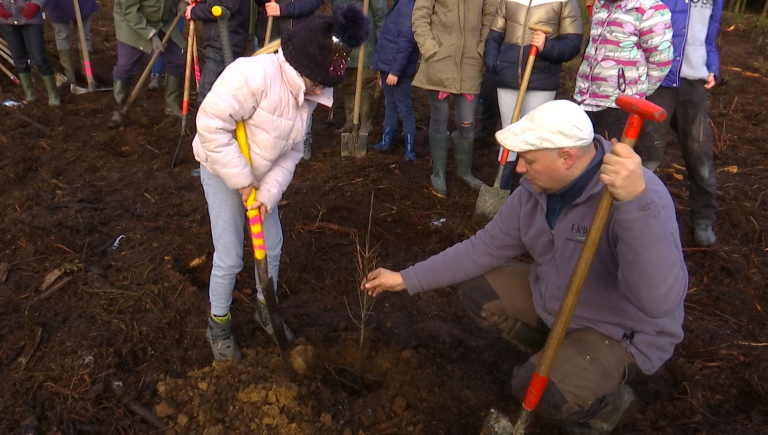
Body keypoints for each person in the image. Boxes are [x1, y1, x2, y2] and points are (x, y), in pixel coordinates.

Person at [362, 101, 688, 434]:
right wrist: (405, 278)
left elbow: (658, 301)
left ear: (566, 158)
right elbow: (484, 247)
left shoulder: (638, 195)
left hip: (619, 334)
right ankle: (560, 356)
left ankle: (606, 404)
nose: (519, 169)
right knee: (479, 292)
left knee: (535, 389)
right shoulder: (536, 190)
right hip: (559, 302)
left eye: (529, 160)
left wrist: (633, 203)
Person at [193, 5, 370, 360]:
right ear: (303, 66)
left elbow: (291, 154)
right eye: (319, 82)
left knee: (272, 244)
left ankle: (265, 306)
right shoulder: (252, 76)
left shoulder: (306, 95)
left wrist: (267, 193)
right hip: (221, 169)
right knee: (229, 257)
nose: (322, 90)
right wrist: (243, 182)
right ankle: (219, 323)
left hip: (259, 179)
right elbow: (210, 126)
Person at [635, 0, 722, 247]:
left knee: (700, 156)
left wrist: (712, 66)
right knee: (647, 156)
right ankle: (630, 215)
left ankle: (704, 219)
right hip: (659, 81)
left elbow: (708, 37)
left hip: (694, 83)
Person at [484, 0, 583, 190]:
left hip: (541, 80)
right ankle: (502, 186)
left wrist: (546, 46)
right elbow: (494, 36)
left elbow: (572, 43)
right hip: (508, 77)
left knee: (535, 136)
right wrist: (494, 63)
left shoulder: (565, 2)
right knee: (509, 131)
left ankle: (530, 188)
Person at [412, 0, 496, 197]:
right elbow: (420, 16)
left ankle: (464, 172)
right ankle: (438, 174)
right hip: (439, 60)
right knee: (439, 118)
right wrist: (430, 48)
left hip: (470, 62)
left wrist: (481, 50)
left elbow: (490, 18)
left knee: (467, 123)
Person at [574, 0, 673, 142]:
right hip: (586, 96)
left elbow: (661, 59)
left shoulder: (651, 9)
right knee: (584, 155)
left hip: (620, 104)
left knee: (610, 155)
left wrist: (640, 88)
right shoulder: (601, 5)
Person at [255, 0, 324, 160]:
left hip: (299, 37)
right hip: (271, 37)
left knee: (301, 90)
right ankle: (274, 141)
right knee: (272, 91)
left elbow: (312, 3)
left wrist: (283, 9)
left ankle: (303, 139)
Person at [108, 0, 187, 129]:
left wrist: (180, 2)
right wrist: (151, 35)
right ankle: (118, 109)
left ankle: (171, 106)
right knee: (126, 67)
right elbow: (129, 11)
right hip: (131, 24)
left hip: (162, 22)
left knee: (177, 60)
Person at [369, 0, 419, 161]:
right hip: (387, 66)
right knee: (390, 103)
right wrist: (382, 70)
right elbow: (386, 40)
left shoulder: (408, 7)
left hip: (396, 70)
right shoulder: (399, 5)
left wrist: (395, 72)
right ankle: (386, 141)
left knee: (404, 106)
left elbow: (405, 44)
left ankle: (410, 149)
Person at [332, 0, 385, 142]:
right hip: (343, 41)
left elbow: (381, 16)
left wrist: (382, 44)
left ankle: (366, 123)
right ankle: (350, 122)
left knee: (365, 83)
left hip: (365, 43)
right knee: (346, 84)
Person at [186, 0, 251, 105]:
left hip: (223, 41)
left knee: (208, 94)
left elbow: (226, 5)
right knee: (222, 93)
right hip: (223, 39)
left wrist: (195, 12)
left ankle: (205, 119)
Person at [0, 0, 61, 106]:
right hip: (7, 20)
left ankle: (53, 95)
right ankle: (30, 94)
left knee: (39, 58)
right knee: (19, 59)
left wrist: (36, 4)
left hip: (30, 18)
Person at [44, 0, 98, 89]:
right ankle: (70, 78)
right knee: (62, 36)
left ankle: (88, 74)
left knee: (84, 36)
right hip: (58, 4)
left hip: (82, 3)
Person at [148, 17, 185, 90]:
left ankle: (170, 76)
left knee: (175, 40)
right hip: (161, 11)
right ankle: (156, 75)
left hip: (177, 10)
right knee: (160, 42)